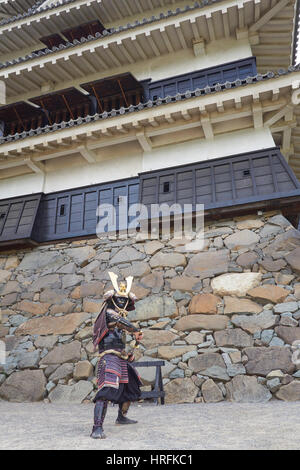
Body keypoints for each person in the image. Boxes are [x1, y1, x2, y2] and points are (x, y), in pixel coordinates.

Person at [91, 272, 143, 439]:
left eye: (125, 300)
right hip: (108, 357)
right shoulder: (108, 313)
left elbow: (124, 333)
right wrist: (135, 330)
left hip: (120, 357)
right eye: (119, 300)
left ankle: (121, 416)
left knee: (130, 385)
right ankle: (96, 427)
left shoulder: (121, 320)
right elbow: (122, 323)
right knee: (106, 390)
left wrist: (131, 350)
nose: (122, 303)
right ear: (111, 300)